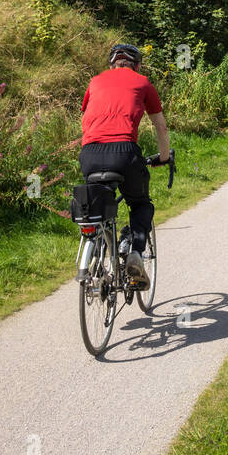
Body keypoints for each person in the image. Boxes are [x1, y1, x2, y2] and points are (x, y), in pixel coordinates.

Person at [79, 43, 170, 288]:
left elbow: (85, 119)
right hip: (124, 152)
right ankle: (135, 253)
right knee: (140, 203)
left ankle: (98, 251)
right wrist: (163, 157)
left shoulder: (95, 82)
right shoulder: (143, 82)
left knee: (98, 208)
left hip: (89, 154)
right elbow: (160, 127)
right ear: (137, 66)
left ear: (111, 65)